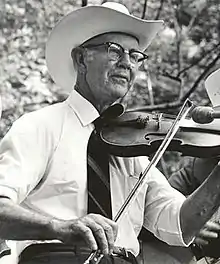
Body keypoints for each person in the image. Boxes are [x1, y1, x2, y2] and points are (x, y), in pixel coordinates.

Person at [1, 2, 220, 264]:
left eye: (136, 55)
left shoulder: (133, 148)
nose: (127, 63)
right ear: (81, 58)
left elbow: (182, 224)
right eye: (115, 51)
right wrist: (59, 228)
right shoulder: (39, 126)